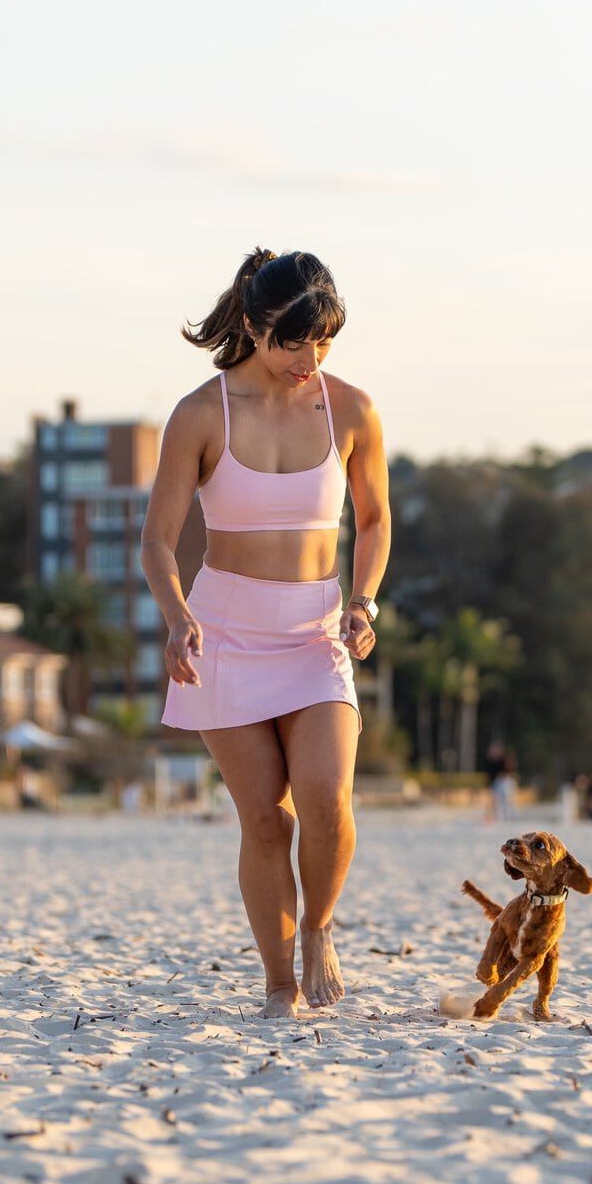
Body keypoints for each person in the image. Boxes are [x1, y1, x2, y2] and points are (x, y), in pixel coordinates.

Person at [141, 248, 391, 1019]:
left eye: (323, 342)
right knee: (263, 818)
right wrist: (179, 616)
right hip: (227, 636)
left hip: (316, 634)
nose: (308, 360)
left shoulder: (350, 409)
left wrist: (365, 600)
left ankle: (318, 929)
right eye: (294, 342)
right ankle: (279, 984)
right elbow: (157, 540)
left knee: (326, 802)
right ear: (253, 326)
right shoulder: (199, 414)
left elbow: (375, 518)